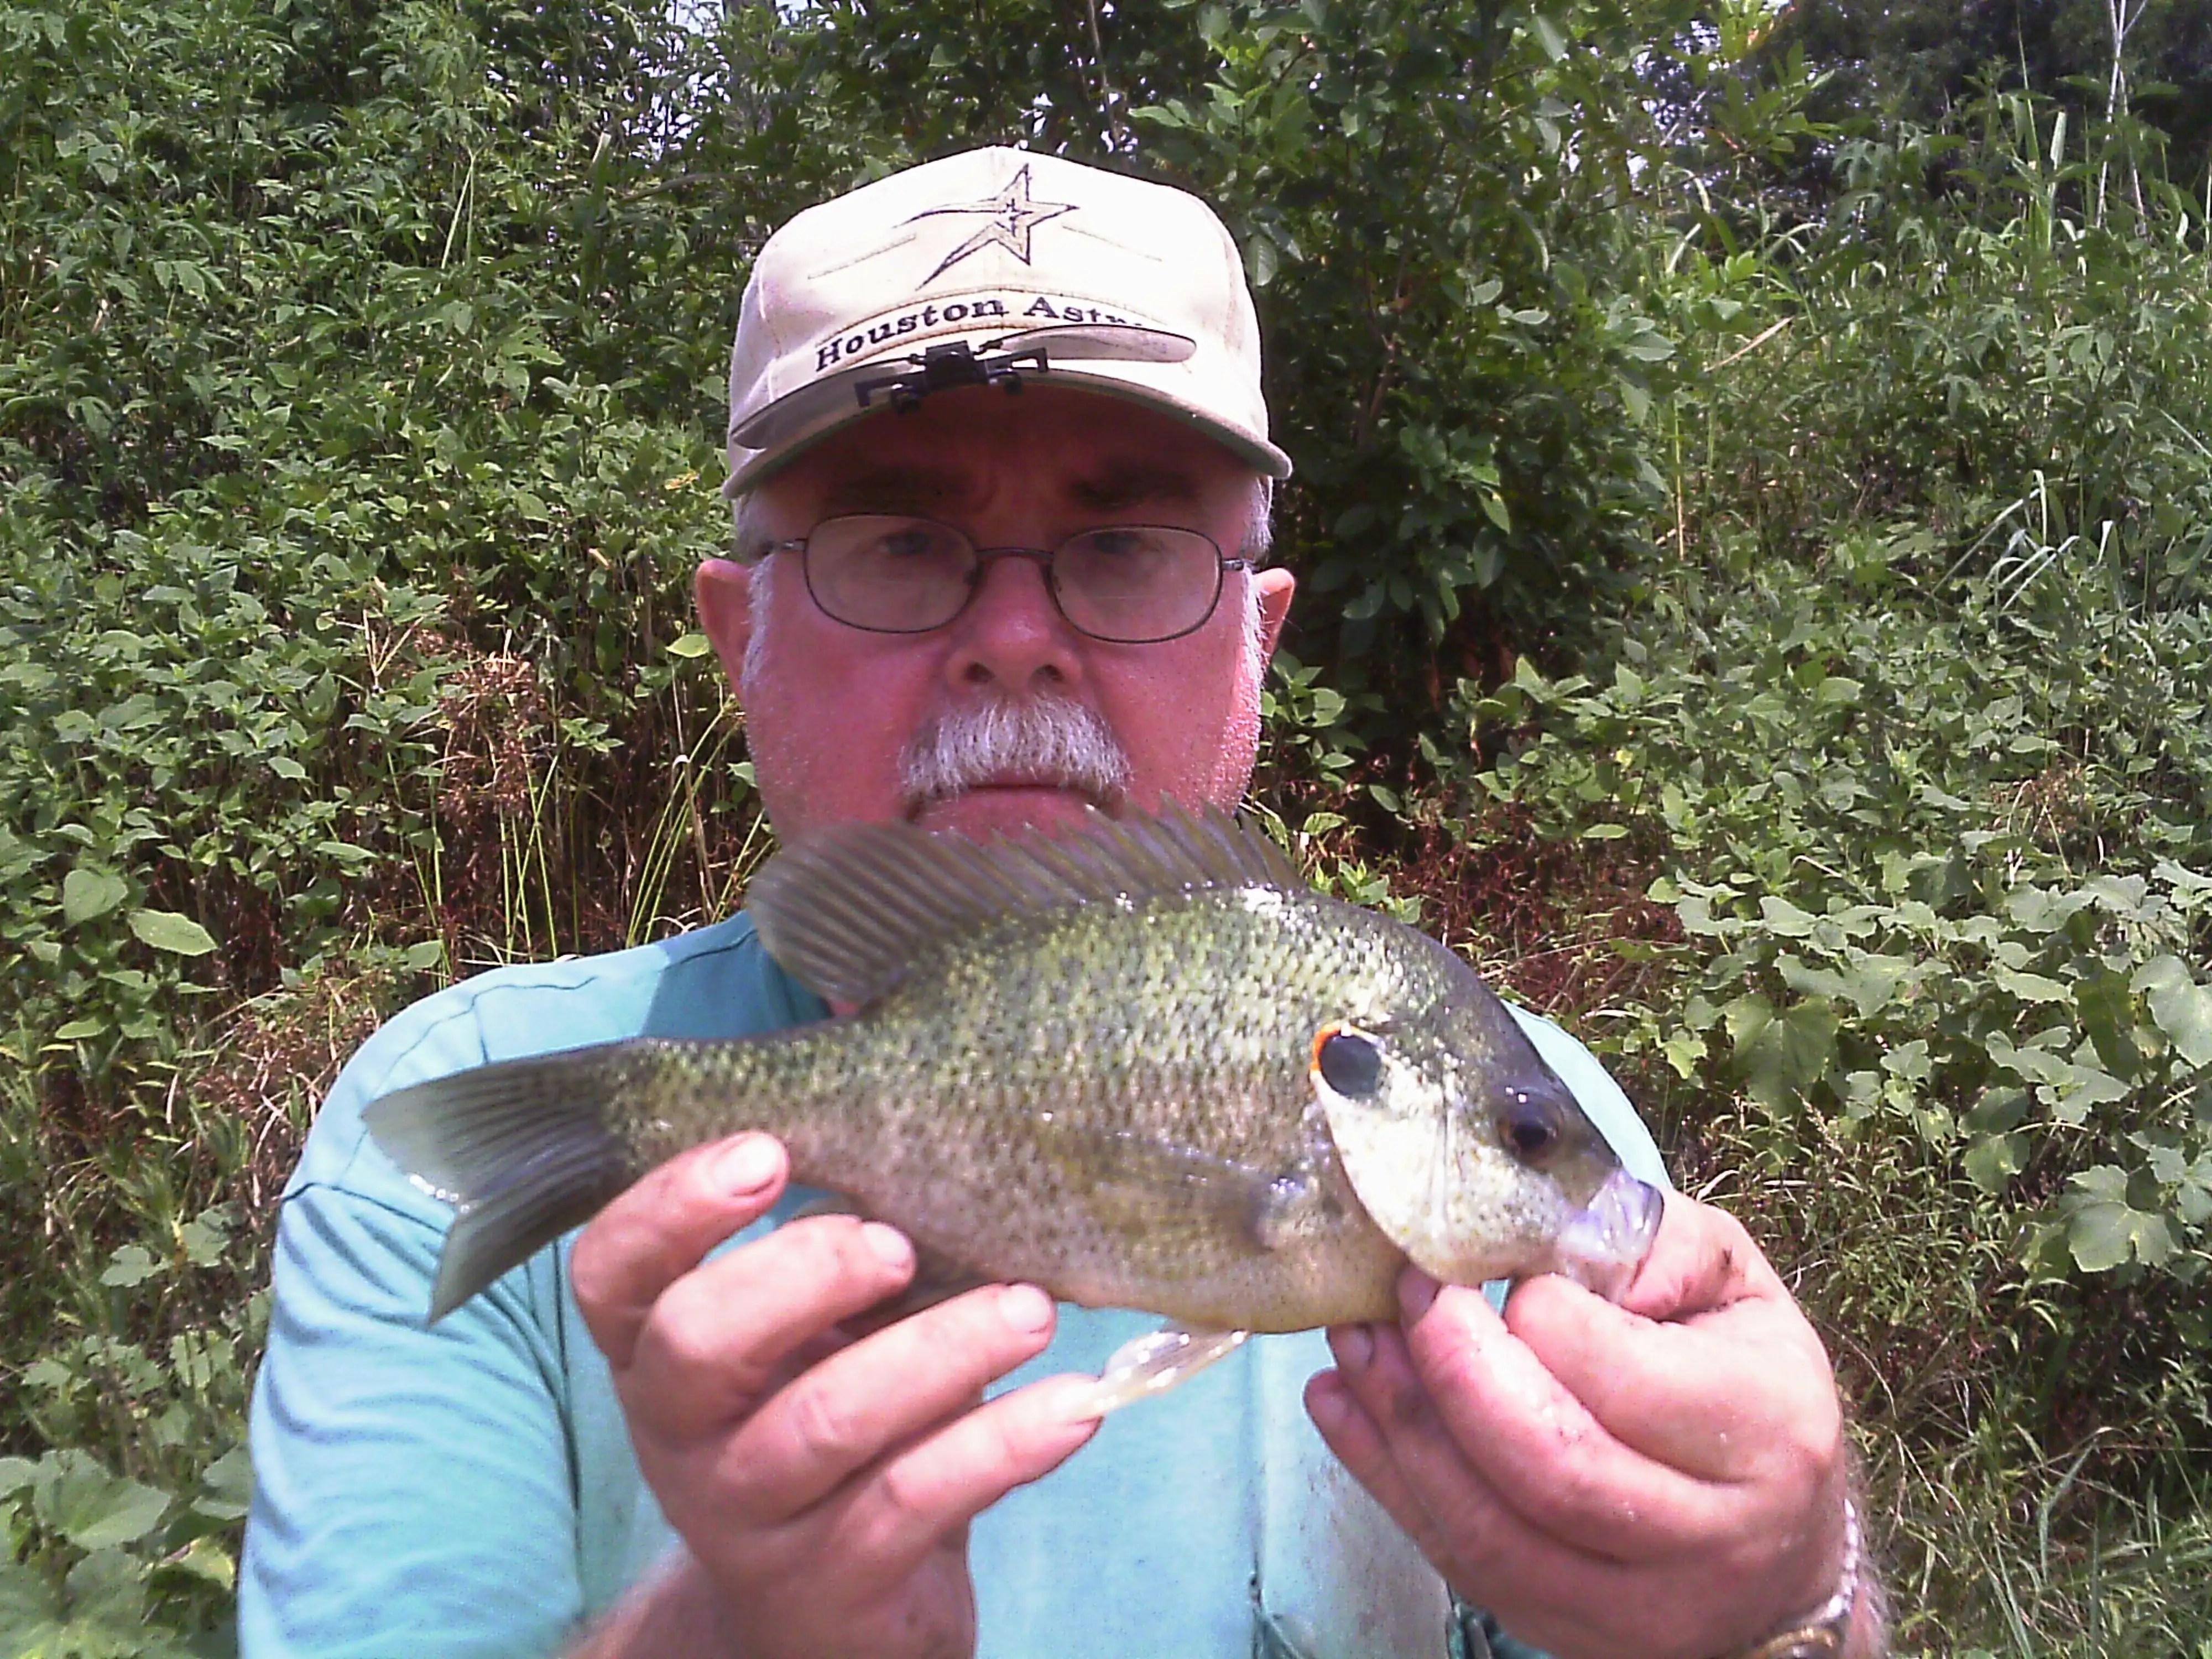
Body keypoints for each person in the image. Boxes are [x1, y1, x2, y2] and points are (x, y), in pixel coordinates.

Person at [242, 147, 1883, 1659]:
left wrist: (1787, 1602)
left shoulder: (1543, 1131)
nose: (1016, 639)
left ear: (1259, 637)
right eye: (898, 543)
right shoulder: (430, 1142)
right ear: (739, 633)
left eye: (1123, 548)